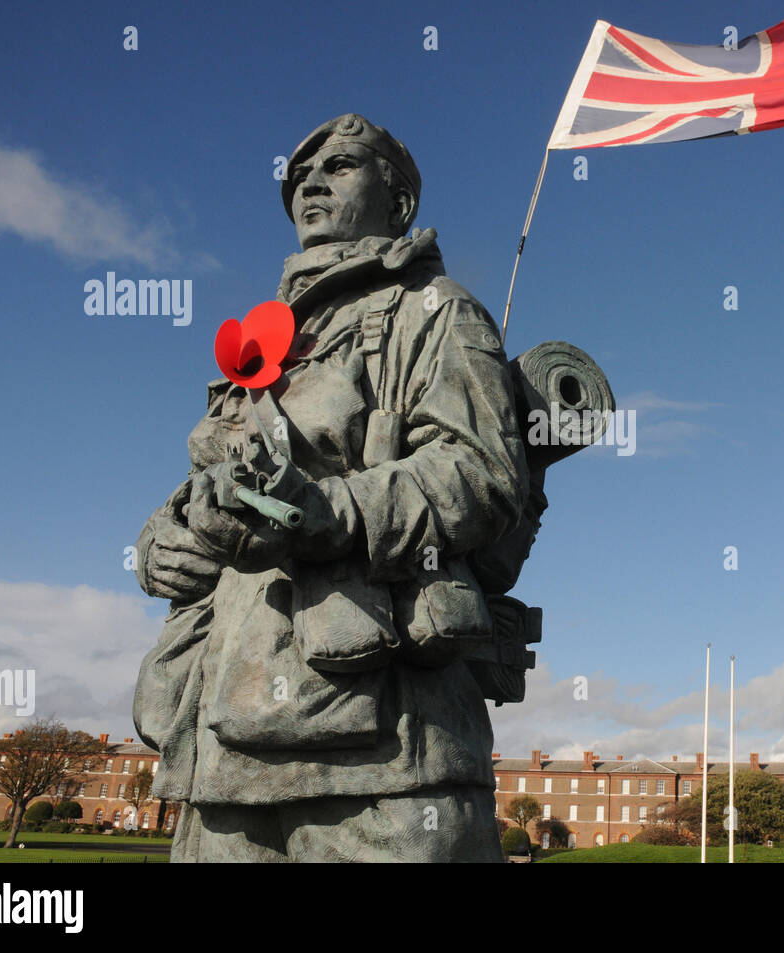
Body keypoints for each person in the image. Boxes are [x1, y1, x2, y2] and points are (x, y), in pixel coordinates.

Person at [132, 114, 529, 862]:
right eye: (299, 175)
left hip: (386, 759)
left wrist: (328, 510)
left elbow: (482, 475)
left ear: (398, 201)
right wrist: (162, 543)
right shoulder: (262, 342)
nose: (310, 181)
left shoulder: (436, 312)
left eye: (341, 165)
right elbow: (204, 485)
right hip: (222, 757)